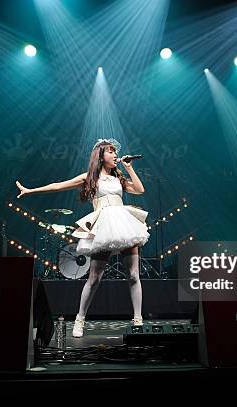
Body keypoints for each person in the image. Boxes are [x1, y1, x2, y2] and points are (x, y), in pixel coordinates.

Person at [15, 138, 150, 338]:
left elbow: (140, 190)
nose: (115, 155)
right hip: (104, 226)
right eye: (111, 151)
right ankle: (80, 319)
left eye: (115, 152)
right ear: (101, 156)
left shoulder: (118, 177)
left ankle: (138, 319)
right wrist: (31, 190)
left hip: (124, 223)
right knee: (95, 277)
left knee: (133, 275)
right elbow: (58, 186)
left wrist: (129, 168)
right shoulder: (90, 178)